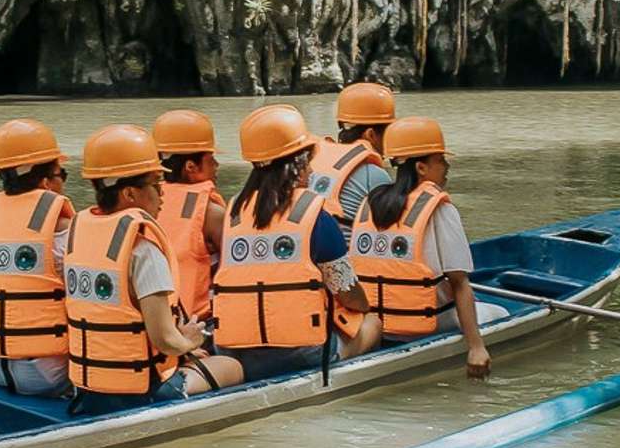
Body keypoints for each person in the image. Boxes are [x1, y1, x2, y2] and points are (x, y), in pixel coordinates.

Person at [211, 104, 382, 384]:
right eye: (308, 160)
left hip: (236, 351)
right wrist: (366, 308)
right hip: (301, 353)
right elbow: (348, 292)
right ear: (298, 164)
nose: (312, 169)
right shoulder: (313, 215)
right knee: (372, 323)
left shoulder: (234, 213)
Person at [60, 124, 209, 414]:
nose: (162, 194)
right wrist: (189, 342)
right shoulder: (144, 251)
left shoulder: (78, 235)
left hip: (89, 388)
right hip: (143, 391)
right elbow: (165, 340)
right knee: (232, 366)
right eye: (155, 184)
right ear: (129, 193)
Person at [348, 116, 506, 379]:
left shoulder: (370, 202)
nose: (447, 166)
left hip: (376, 324)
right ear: (421, 167)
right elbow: (460, 283)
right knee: (500, 311)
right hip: (424, 324)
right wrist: (476, 347)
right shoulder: (439, 208)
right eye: (441, 160)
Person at [0, 118, 76, 396]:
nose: (63, 182)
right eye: (62, 174)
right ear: (46, 182)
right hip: (47, 373)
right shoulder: (63, 229)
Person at [150, 109, 226, 322]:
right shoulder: (213, 214)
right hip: (199, 325)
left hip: (154, 323)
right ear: (191, 167)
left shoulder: (140, 206)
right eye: (212, 159)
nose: (217, 166)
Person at [309, 81, 397, 228]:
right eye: (389, 131)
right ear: (370, 135)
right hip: (345, 249)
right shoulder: (374, 176)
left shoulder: (314, 159)